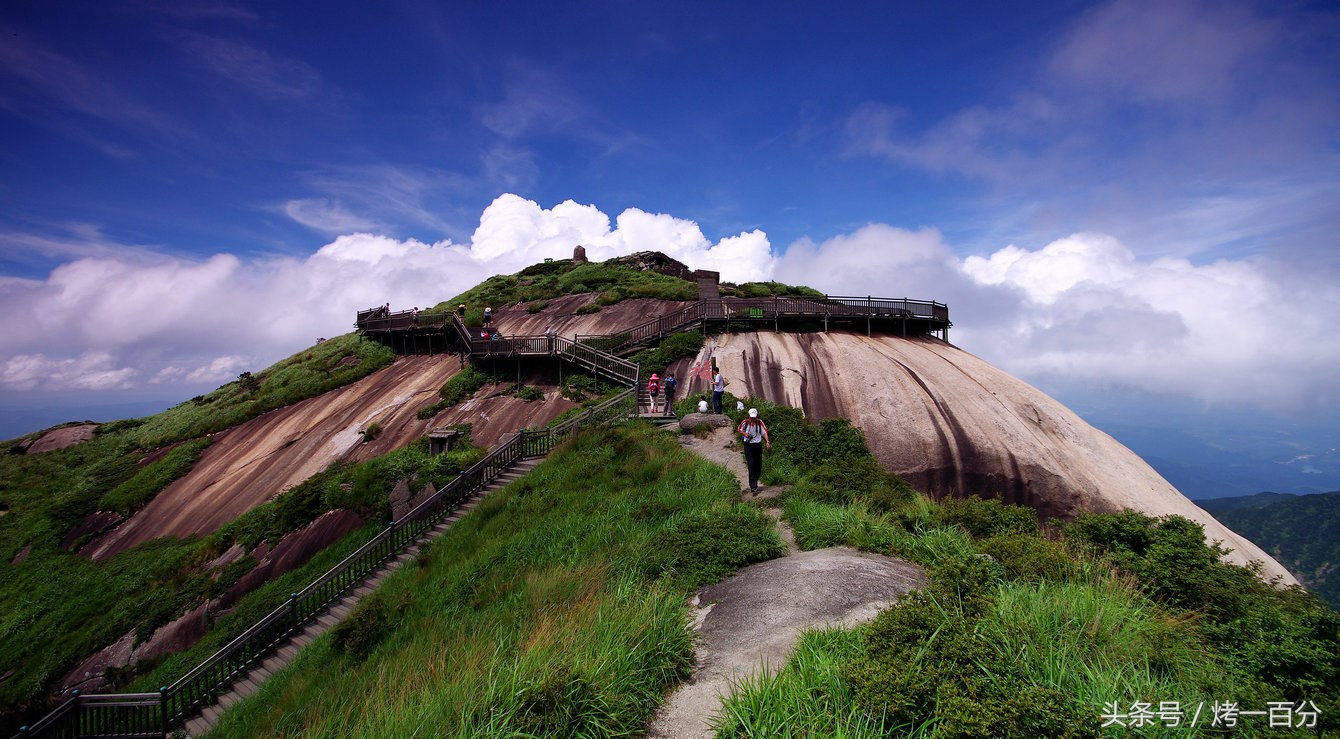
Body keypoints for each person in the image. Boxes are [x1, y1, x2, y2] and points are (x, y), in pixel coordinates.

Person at [737, 408, 771, 495]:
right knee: (751, 464)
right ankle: (753, 486)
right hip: (748, 445)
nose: (753, 419)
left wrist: (767, 441)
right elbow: (739, 429)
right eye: (751, 417)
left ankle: (755, 480)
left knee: (758, 465)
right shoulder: (745, 422)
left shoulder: (759, 423)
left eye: (754, 417)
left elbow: (764, 432)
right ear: (749, 416)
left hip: (757, 445)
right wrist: (745, 434)